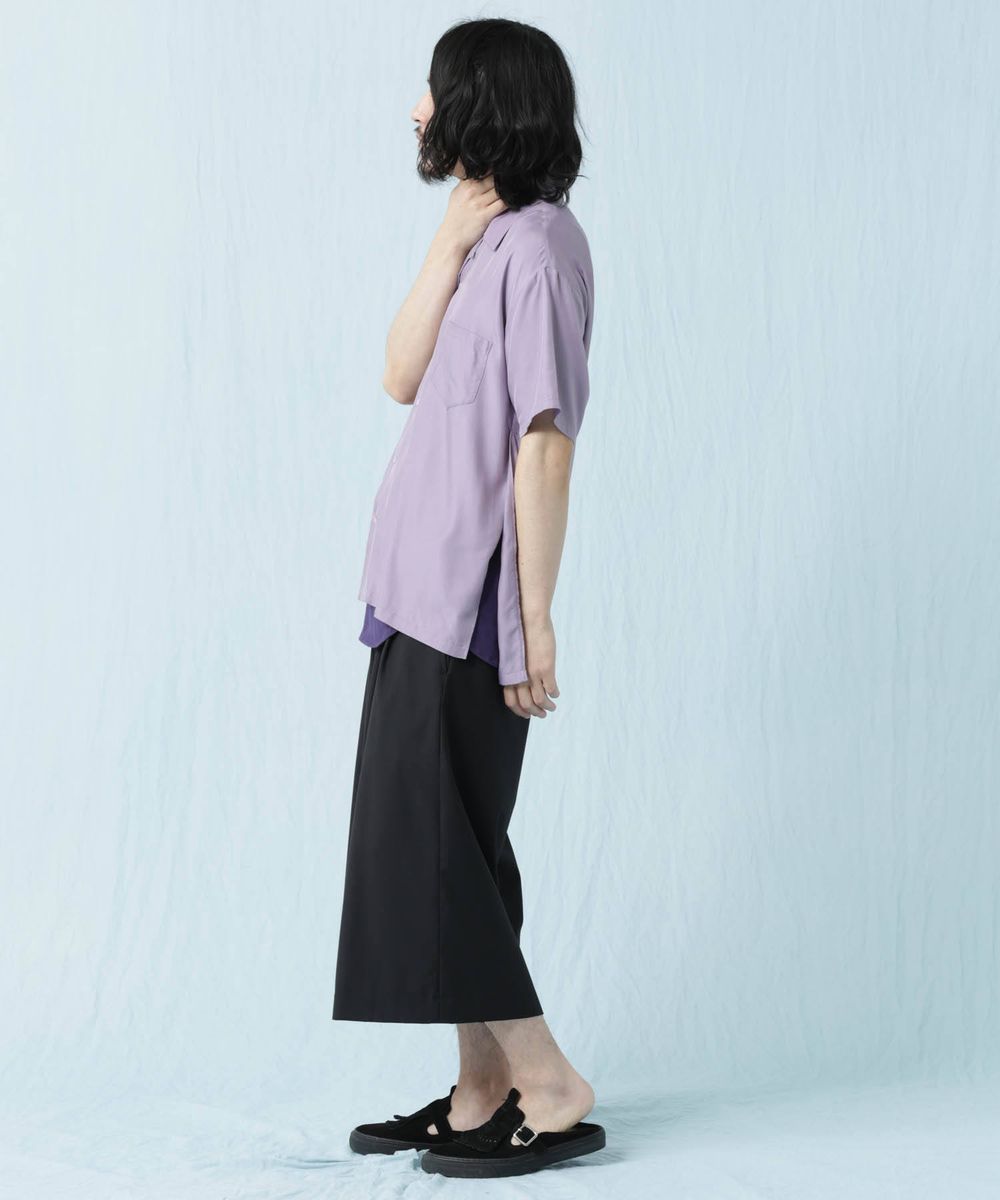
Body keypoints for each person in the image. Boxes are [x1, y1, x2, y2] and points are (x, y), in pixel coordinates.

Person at [331, 17, 603, 1179]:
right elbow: (399, 374)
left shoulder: (540, 250)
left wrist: (532, 621)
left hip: (471, 598)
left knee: (435, 846)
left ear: (485, 106)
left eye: (434, 94)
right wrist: (445, 237)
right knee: (448, 844)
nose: (416, 111)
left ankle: (549, 1084)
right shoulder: (484, 241)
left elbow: (545, 441)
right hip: (414, 589)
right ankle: (481, 1087)